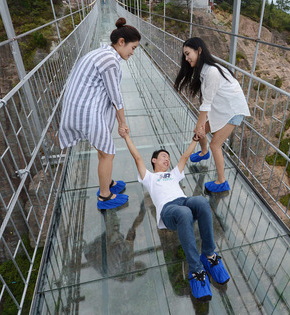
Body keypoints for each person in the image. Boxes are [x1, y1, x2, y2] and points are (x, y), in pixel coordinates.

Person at [122, 132, 231, 301]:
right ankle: (196, 269)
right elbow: (137, 158)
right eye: (163, 156)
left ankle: (209, 255)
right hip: (169, 210)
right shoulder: (149, 177)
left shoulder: (173, 174)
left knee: (202, 202)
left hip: (184, 201)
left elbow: (185, 157)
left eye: (168, 157)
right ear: (154, 161)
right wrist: (127, 137)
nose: (167, 159)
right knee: (184, 212)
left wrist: (195, 140)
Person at [59, 18, 140, 209]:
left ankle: (108, 182)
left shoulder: (102, 53)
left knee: (103, 150)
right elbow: (115, 96)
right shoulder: (110, 61)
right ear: (121, 42)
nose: (133, 52)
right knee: (108, 153)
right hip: (87, 111)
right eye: (133, 47)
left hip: (80, 107)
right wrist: (122, 123)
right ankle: (105, 196)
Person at [174, 37, 251, 192]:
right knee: (200, 129)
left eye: (188, 54)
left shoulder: (212, 71)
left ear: (199, 51)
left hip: (233, 110)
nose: (187, 58)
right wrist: (200, 126)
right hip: (222, 107)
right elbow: (207, 101)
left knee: (215, 143)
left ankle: (222, 182)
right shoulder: (203, 70)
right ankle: (203, 153)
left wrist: (200, 125)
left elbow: (207, 103)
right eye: (185, 55)